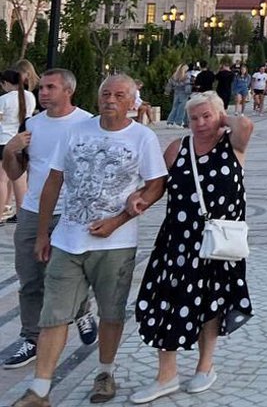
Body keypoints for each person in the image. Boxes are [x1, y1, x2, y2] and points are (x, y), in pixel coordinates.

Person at [12, 74, 168, 407]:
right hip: (68, 240)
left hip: (116, 243)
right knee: (53, 314)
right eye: (106, 93)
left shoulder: (142, 137)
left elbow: (156, 184)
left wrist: (120, 219)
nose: (110, 99)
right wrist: (43, 233)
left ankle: (105, 373)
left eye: (119, 95)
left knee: (111, 313)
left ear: (131, 102)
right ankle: (40, 390)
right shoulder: (75, 131)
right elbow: (53, 182)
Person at [127, 92, 253, 404]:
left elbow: (246, 124)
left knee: (212, 304)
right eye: (193, 118)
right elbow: (157, 185)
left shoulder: (233, 145)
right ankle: (166, 374)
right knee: (167, 302)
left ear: (220, 117)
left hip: (217, 244)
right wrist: (139, 198)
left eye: (205, 116)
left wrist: (221, 117)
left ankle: (204, 367)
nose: (199, 123)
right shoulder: (177, 149)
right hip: (178, 241)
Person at [2, 69, 97, 371]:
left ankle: (81, 309)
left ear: (68, 90)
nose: (43, 92)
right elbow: (16, 173)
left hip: (72, 212)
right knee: (30, 276)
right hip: (33, 210)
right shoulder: (31, 125)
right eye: (41, 87)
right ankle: (31, 337)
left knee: (70, 274)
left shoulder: (87, 123)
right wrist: (10, 151)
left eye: (50, 87)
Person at [0, 69, 36, 222]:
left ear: (6, 83)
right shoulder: (30, 96)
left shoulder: (5, 99)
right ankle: (22, 214)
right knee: (20, 181)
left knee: (1, 180)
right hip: (23, 140)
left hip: (4, 141)